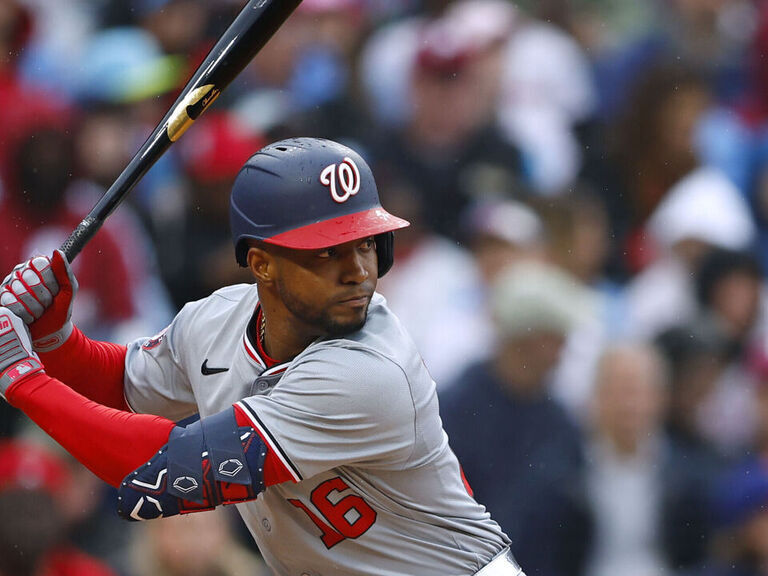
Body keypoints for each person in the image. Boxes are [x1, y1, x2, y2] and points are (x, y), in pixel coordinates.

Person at [0, 138, 521, 576]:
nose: (358, 269)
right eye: (327, 251)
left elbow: (166, 471)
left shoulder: (370, 372)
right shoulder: (217, 320)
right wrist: (55, 340)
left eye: (365, 244)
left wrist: (21, 378)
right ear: (261, 263)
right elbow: (123, 388)